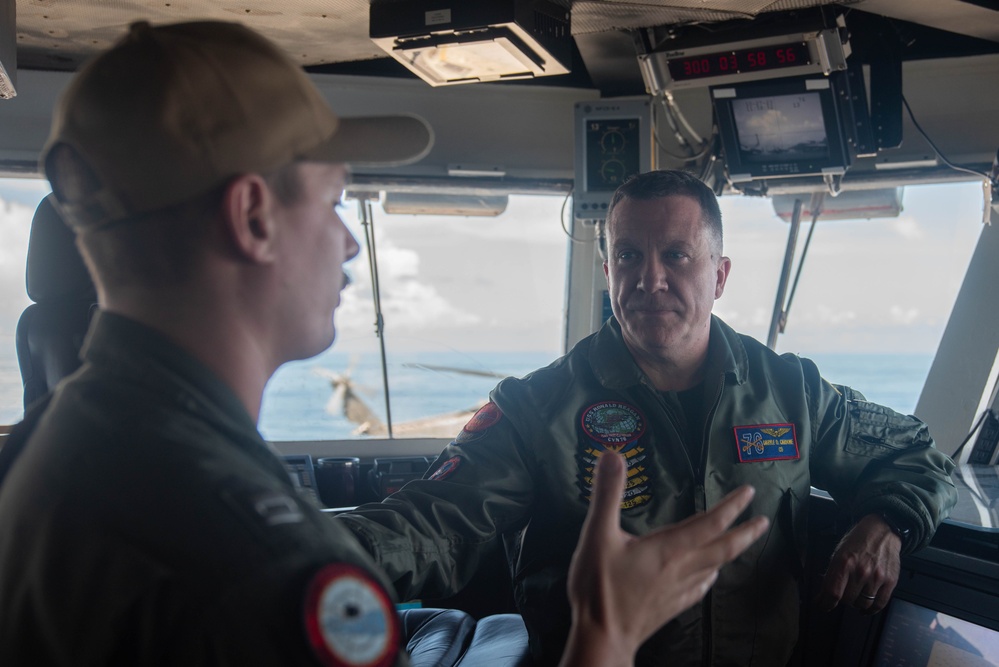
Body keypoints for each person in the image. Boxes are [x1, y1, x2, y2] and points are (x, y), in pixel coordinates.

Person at [0, 23, 769, 667]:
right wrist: (607, 632)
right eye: (335, 201)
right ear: (253, 217)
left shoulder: (50, 449)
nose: (346, 244)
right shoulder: (266, 567)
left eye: (676, 258)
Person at [337, 169, 959, 666]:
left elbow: (915, 454)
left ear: (719, 275)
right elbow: (433, 523)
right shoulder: (539, 407)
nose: (649, 279)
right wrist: (308, 557)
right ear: (607, 271)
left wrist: (889, 524)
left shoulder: (791, 390)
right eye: (629, 255)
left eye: (677, 255)